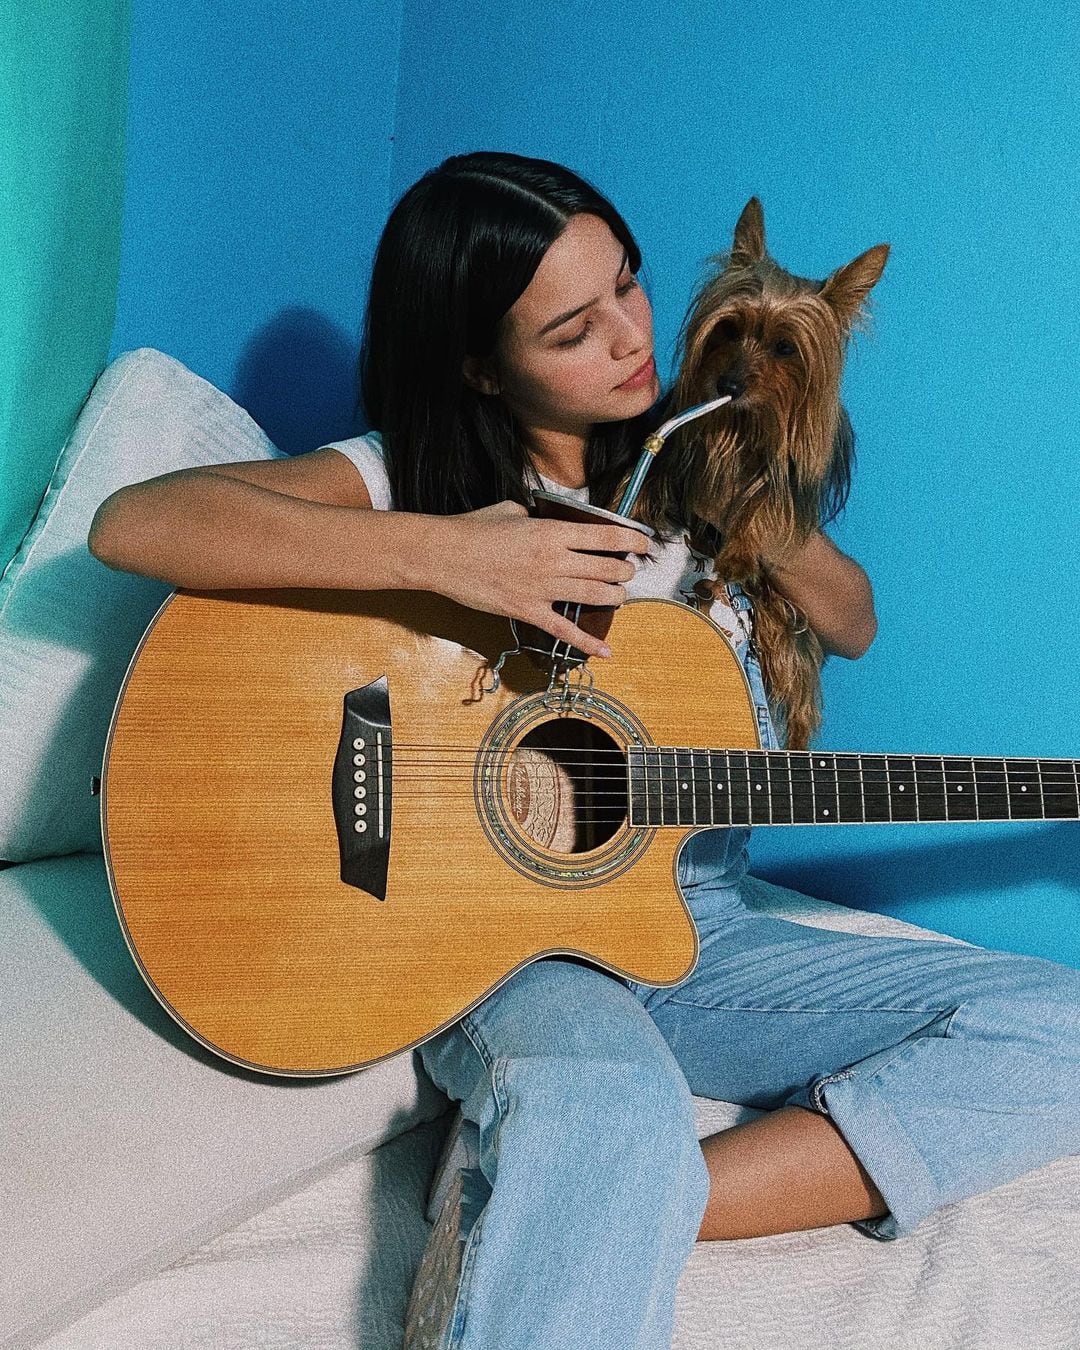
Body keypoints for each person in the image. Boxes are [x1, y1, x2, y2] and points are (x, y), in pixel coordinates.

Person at [89, 150, 1080, 1350]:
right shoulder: (416, 475)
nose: (628, 340)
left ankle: (611, 1196)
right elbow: (135, 522)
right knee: (609, 1098)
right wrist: (452, 555)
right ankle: (599, 1164)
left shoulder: (696, 456)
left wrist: (765, 529)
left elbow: (854, 620)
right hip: (493, 930)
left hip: (695, 924)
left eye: (631, 284)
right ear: (479, 362)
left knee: (1063, 1028)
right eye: (573, 327)